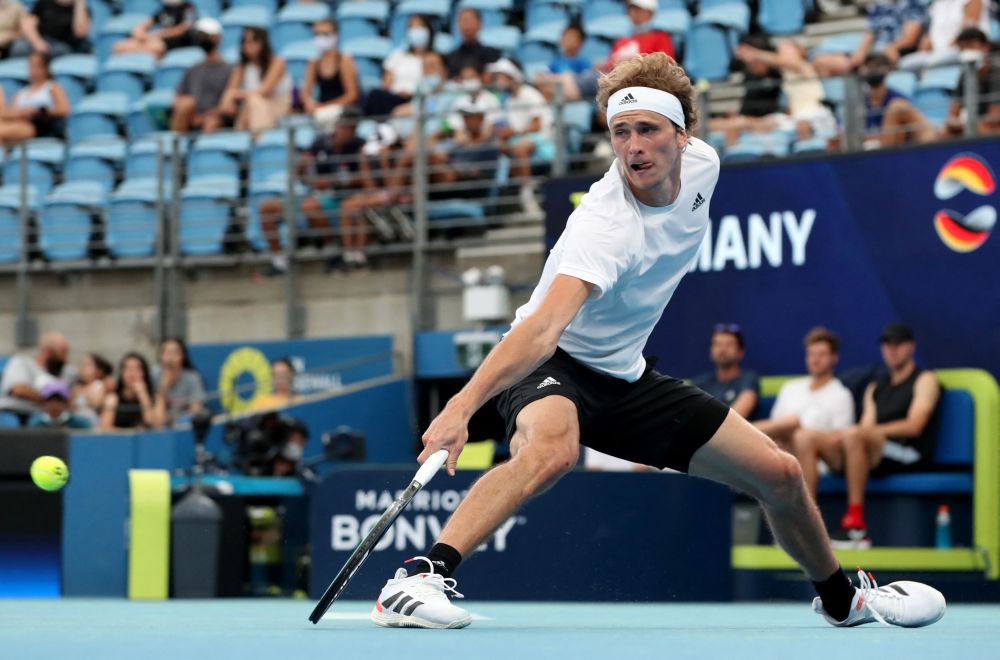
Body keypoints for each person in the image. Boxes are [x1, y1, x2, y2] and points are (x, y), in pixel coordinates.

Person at [368, 52, 945, 631]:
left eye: (647, 129)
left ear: (683, 134)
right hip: (553, 361)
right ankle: (418, 577)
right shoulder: (604, 226)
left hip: (625, 377)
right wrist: (461, 409)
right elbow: (542, 330)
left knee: (782, 474)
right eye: (620, 133)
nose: (633, 147)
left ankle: (843, 599)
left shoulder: (704, 166)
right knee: (553, 450)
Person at [830, 323, 942, 548]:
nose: (892, 349)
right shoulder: (875, 387)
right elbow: (866, 426)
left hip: (910, 454)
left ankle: (855, 527)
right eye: (887, 344)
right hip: (877, 453)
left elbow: (915, 425)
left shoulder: (925, 380)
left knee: (853, 436)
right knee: (806, 439)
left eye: (898, 344)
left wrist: (861, 433)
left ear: (911, 347)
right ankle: (804, 527)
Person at [258, 106, 371, 273]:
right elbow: (302, 176)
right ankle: (279, 261)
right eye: (345, 125)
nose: (348, 130)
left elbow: (366, 180)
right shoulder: (319, 143)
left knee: (310, 206)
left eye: (352, 127)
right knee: (267, 208)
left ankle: (332, 249)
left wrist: (334, 182)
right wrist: (304, 170)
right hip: (315, 195)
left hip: (342, 198)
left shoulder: (360, 145)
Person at [756, 327, 854, 488]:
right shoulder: (790, 388)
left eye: (821, 355)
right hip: (780, 453)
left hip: (817, 462)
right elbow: (774, 430)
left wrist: (799, 434)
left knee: (796, 428)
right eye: (811, 354)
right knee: (787, 424)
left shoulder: (841, 394)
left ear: (834, 358)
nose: (815, 360)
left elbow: (839, 443)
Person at [487, 58, 553, 215]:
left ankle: (527, 193)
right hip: (523, 139)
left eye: (501, 77)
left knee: (519, 148)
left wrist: (514, 131)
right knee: (499, 147)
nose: (498, 81)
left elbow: (537, 125)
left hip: (543, 138)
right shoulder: (509, 101)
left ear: (512, 77)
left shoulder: (529, 94)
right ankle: (518, 189)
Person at [812, 0, 928, 76]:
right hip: (875, 53)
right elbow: (869, 34)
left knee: (875, 64)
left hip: (898, 52)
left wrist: (890, 48)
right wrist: (859, 54)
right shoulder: (879, 5)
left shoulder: (913, 3)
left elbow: (909, 39)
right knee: (820, 62)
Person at [218, 27, 292, 134]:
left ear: (263, 43)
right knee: (250, 104)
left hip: (279, 106)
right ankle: (244, 141)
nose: (249, 46)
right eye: (245, 42)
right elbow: (229, 93)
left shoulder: (277, 62)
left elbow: (264, 91)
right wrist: (229, 100)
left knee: (254, 101)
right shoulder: (241, 67)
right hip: (251, 109)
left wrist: (233, 94)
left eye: (253, 41)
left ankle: (255, 138)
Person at [171, 17, 232, 134]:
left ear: (217, 37)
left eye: (205, 35)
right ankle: (177, 148)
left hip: (216, 119)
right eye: (199, 35)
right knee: (185, 104)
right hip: (191, 118)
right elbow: (179, 97)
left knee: (212, 122)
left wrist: (205, 117)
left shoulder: (230, 69)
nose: (201, 38)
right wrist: (193, 116)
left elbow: (228, 105)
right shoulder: (192, 69)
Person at [366, 14, 435, 117]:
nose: (416, 31)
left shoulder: (432, 58)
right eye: (411, 27)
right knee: (374, 95)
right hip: (394, 97)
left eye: (420, 26)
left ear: (428, 30)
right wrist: (397, 92)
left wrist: (411, 93)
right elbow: (386, 84)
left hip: (416, 98)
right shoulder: (397, 55)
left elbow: (433, 87)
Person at [861, 52, 936, 146]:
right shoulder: (858, 103)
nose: (873, 70)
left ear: (888, 69)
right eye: (869, 66)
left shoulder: (899, 100)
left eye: (877, 65)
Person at [690, 323, 759, 420]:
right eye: (717, 344)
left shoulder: (748, 379)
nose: (722, 350)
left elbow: (736, 418)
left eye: (729, 345)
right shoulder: (700, 382)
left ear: (740, 352)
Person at [0, 331, 71, 423]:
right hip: (20, 415)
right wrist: (51, 400)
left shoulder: (66, 372)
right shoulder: (21, 363)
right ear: (48, 352)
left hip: (52, 419)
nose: (66, 359)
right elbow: (18, 390)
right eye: (62, 352)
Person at [0, 52, 70, 145]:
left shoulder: (52, 87)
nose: (32, 69)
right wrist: (21, 113)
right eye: (30, 66)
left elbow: (64, 109)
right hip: (18, 123)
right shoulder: (20, 93)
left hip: (38, 126)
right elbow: (10, 113)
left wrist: (37, 111)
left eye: (36, 66)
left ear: (45, 68)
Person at [301, 19, 360, 128]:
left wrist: (326, 106)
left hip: (343, 109)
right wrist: (309, 103)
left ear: (335, 36)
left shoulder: (344, 60)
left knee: (324, 116)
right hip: (321, 110)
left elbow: (352, 95)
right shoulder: (313, 63)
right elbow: (305, 93)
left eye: (325, 34)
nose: (320, 37)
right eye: (317, 34)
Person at [943, 28, 1000, 136]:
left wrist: (967, 124)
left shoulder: (997, 72)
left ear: (985, 48)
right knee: (946, 132)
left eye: (971, 46)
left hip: (992, 127)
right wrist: (957, 123)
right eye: (962, 48)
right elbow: (952, 115)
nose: (967, 51)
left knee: (982, 128)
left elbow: (994, 117)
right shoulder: (964, 75)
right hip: (976, 124)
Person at [112, 0, 196, 58]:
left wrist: (159, 34)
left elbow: (184, 28)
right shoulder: (164, 9)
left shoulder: (188, 8)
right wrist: (139, 31)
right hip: (157, 39)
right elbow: (147, 23)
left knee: (156, 47)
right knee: (119, 46)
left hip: (174, 42)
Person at [153, 337, 205, 428]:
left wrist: (178, 420)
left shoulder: (192, 377)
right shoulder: (153, 375)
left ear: (182, 356)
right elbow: (156, 419)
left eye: (174, 353)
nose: (170, 358)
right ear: (161, 356)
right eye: (166, 353)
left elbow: (196, 409)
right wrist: (163, 387)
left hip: (184, 426)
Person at [9, 0, 90, 57]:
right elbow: (28, 23)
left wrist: (79, 4)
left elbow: (80, 32)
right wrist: (37, 42)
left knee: (59, 52)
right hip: (40, 39)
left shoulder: (82, 9)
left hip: (63, 45)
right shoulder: (46, 2)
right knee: (19, 47)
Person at [101, 352, 159, 430]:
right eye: (128, 369)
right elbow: (105, 429)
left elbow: (152, 425)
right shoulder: (113, 398)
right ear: (121, 373)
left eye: (137, 369)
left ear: (144, 373)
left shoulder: (155, 397)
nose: (132, 374)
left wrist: (142, 394)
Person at [445, 7, 500, 79]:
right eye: (463, 21)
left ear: (480, 23)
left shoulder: (491, 54)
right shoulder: (451, 57)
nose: (466, 25)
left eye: (469, 20)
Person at [27, 380, 93, 429]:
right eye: (50, 400)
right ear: (44, 402)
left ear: (66, 402)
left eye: (59, 400)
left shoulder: (81, 423)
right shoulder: (35, 423)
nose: (54, 404)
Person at [71, 352, 113, 421]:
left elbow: (96, 403)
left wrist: (84, 392)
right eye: (82, 365)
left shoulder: (99, 385)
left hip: (92, 420)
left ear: (98, 370)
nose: (83, 369)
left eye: (87, 365)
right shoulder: (76, 387)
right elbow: (71, 406)